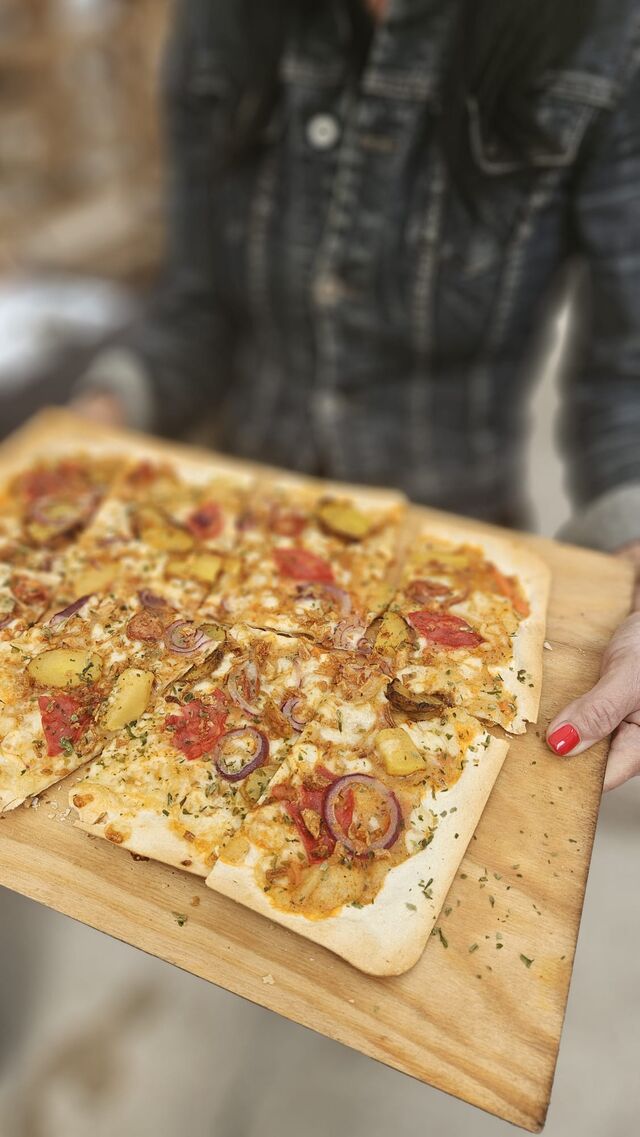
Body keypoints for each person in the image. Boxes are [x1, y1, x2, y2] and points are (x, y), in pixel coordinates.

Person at [74, 0, 640, 790]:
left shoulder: (605, 34)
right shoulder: (218, 17)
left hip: (454, 573)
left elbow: (627, 377)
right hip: (228, 555)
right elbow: (196, 309)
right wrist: (80, 436)